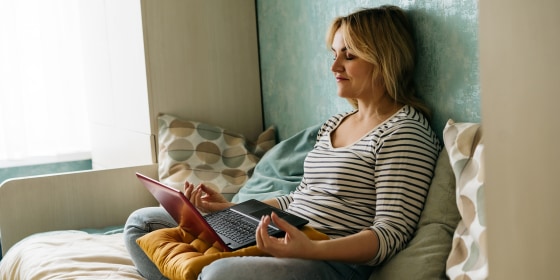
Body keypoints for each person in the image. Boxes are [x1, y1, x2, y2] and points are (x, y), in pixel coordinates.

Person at [124, 5, 441, 280]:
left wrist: (312, 249)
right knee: (141, 224)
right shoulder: (335, 124)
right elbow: (298, 201)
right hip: (288, 234)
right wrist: (230, 208)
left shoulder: (404, 132)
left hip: (331, 260)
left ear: (384, 58)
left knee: (217, 275)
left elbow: (390, 233)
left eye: (349, 55)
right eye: (334, 54)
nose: (334, 67)